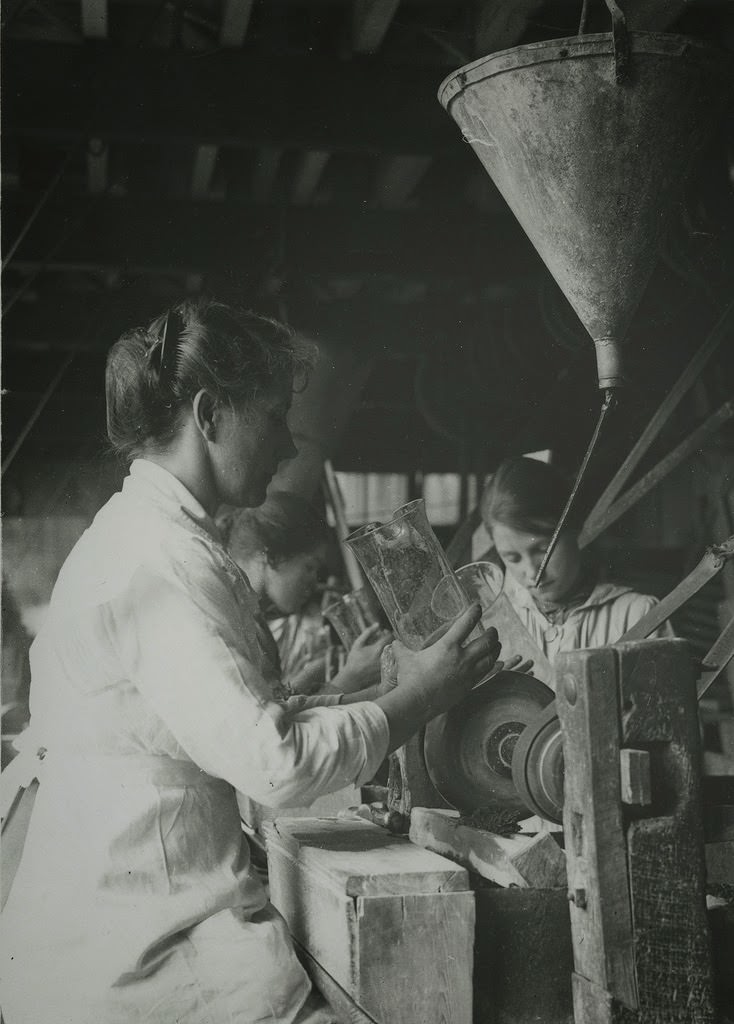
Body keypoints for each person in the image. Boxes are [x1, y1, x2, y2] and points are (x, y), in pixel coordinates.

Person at [1, 299, 500, 1024]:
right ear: (210, 416)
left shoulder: (161, 536)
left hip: (142, 910)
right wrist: (420, 698)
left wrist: (378, 693)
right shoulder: (159, 561)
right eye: (276, 421)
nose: (291, 449)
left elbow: (238, 719)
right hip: (145, 949)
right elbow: (277, 763)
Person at [480, 456, 673, 664]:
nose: (532, 573)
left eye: (543, 550)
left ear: (574, 526)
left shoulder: (637, 615)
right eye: (513, 558)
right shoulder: (493, 621)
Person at [219, 493, 388, 697]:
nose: (314, 581)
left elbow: (275, 701)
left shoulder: (250, 615)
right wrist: (352, 677)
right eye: (309, 567)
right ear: (272, 557)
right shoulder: (233, 620)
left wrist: (310, 673)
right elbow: (275, 723)